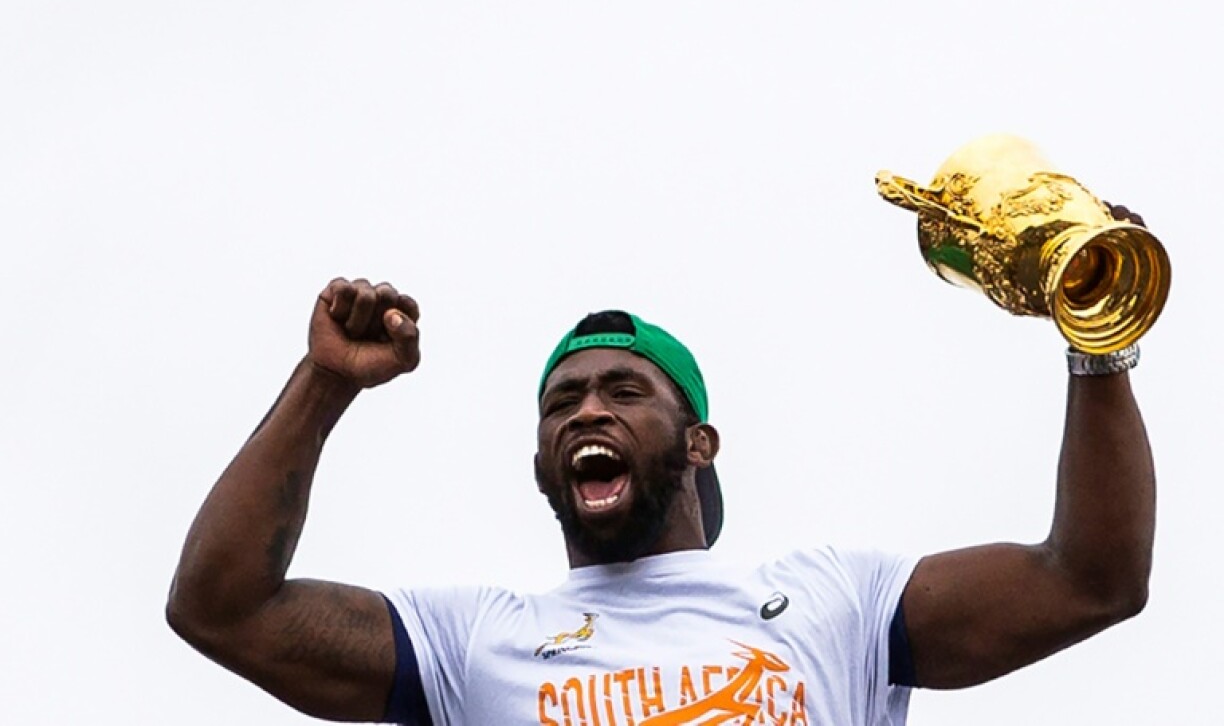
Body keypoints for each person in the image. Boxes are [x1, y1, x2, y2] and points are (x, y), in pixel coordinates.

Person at [167, 229, 1155, 724]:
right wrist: (326, 383)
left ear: (698, 445)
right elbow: (222, 607)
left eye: (623, 391)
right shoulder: (473, 642)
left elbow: (1091, 579)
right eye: (561, 403)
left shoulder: (835, 603)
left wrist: (1098, 341)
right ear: (542, 464)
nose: (586, 411)